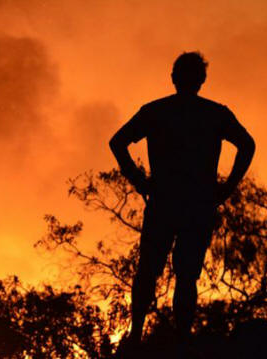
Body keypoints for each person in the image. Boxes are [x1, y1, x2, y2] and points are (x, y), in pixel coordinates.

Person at [109, 52, 255, 357]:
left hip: (165, 202)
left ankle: (138, 336)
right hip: (196, 204)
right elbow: (248, 144)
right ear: (201, 81)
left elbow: (117, 142)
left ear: (174, 78)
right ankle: (180, 340)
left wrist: (140, 181)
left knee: (150, 271)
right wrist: (227, 187)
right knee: (185, 275)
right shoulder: (215, 114)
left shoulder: (157, 111)